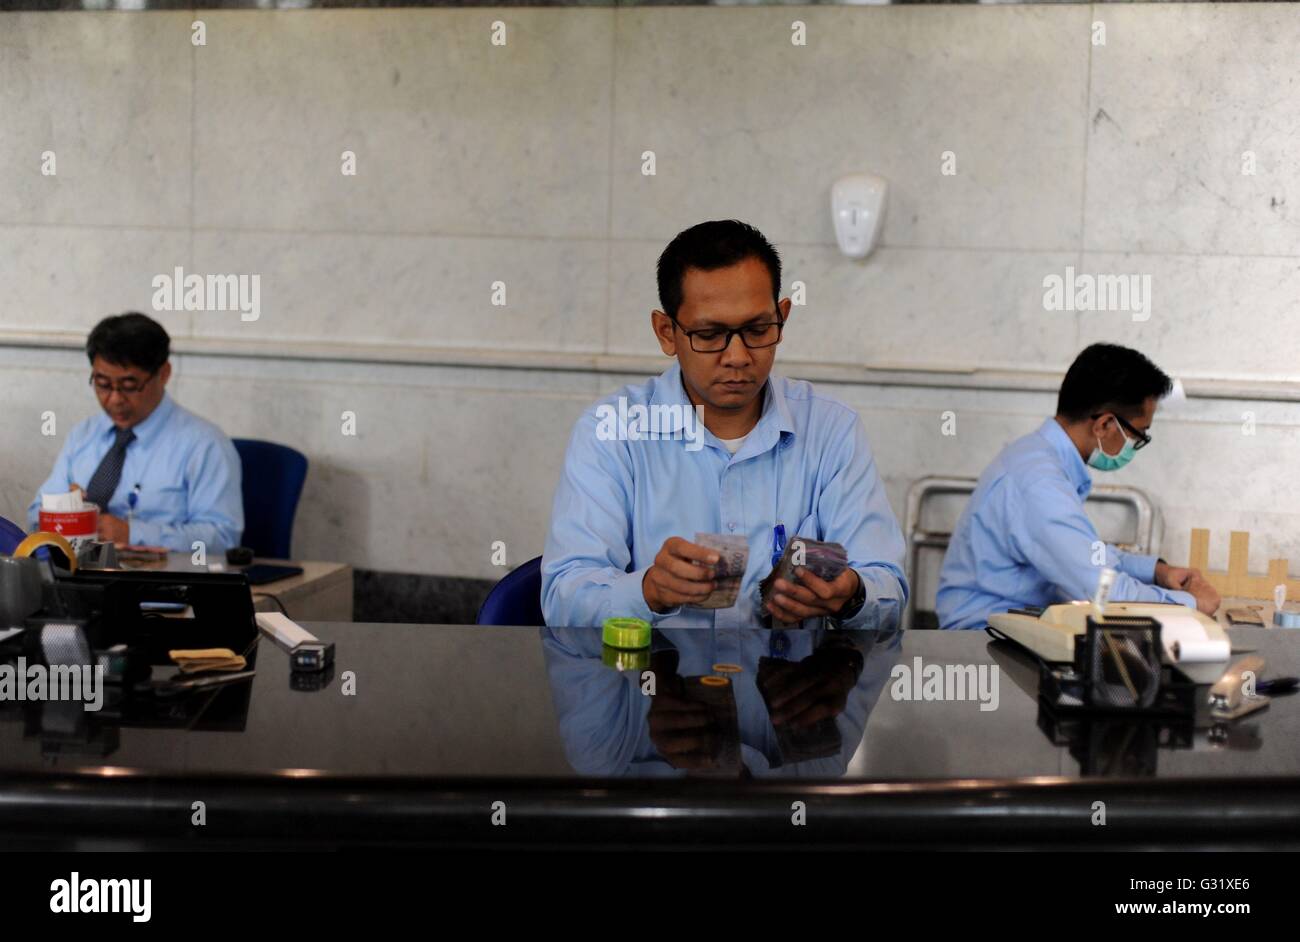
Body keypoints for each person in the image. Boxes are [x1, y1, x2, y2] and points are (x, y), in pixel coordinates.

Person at [541, 219, 908, 637]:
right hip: (650, 690)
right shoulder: (612, 433)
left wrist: (852, 595)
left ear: (782, 319)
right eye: (710, 334)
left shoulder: (831, 429)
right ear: (666, 333)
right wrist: (648, 591)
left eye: (756, 330)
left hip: (789, 693)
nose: (737, 356)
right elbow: (564, 599)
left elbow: (888, 589)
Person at [936, 343, 1220, 630]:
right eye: (1139, 435)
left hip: (1012, 625)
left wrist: (1157, 572)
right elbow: (1105, 595)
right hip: (982, 642)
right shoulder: (1038, 485)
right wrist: (1193, 606)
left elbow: (1086, 553)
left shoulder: (1039, 457)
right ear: (1105, 425)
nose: (1135, 446)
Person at [28, 312, 243, 553]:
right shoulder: (84, 435)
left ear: (163, 374)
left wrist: (134, 533)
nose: (115, 399)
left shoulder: (204, 445)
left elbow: (223, 538)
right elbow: (36, 514)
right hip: (78, 580)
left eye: (130, 386)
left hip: (163, 584)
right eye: (103, 384)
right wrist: (65, 514)